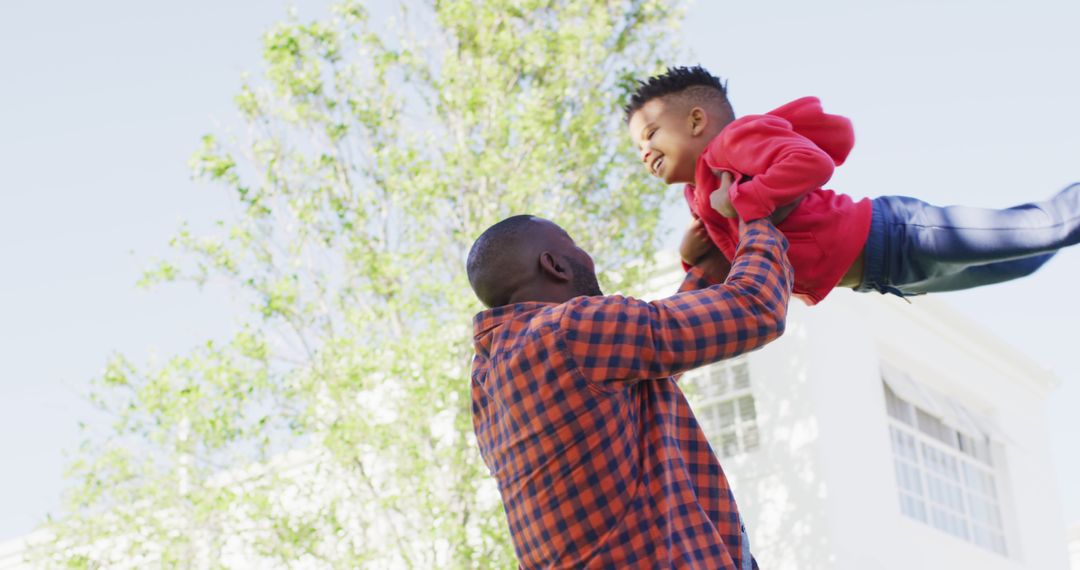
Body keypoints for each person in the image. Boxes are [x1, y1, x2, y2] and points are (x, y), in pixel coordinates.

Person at [466, 212, 792, 569]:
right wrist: (756, 217)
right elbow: (756, 308)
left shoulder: (487, 378)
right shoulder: (570, 330)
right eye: (574, 245)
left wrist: (704, 269)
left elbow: (639, 378)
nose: (588, 257)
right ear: (554, 265)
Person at [626, 65, 1080, 305]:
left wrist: (740, 199)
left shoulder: (734, 142)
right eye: (638, 148)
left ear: (697, 120)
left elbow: (809, 162)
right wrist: (690, 253)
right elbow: (748, 260)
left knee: (1049, 227)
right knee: (1024, 261)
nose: (644, 152)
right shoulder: (699, 195)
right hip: (886, 275)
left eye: (650, 135)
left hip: (900, 234)